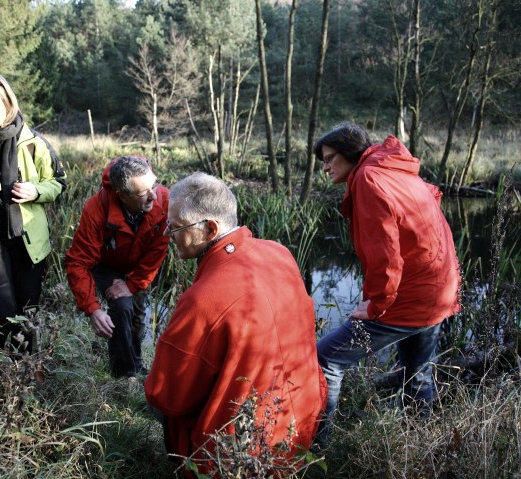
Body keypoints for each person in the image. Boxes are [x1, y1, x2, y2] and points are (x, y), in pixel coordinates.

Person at [144, 172, 327, 471]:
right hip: (300, 423)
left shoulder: (203, 298)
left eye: (175, 227)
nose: (166, 234)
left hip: (239, 455)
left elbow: (166, 394)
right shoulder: (279, 252)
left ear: (210, 229)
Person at [314, 122, 461, 436]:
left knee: (325, 359)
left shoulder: (368, 178)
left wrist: (375, 305)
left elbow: (386, 255)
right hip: (438, 290)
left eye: (329, 159)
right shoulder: (393, 170)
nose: (325, 167)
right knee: (418, 373)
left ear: (349, 152)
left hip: (412, 296)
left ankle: (315, 447)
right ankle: (418, 444)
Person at [0, 71, 66, 353]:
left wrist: (35, 191)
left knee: (28, 311)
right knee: (1, 311)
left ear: (9, 102)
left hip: (28, 238)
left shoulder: (34, 142)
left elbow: (58, 183)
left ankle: (26, 374)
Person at [65, 156, 169, 378]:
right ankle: (124, 375)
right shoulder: (96, 209)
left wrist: (133, 284)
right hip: (107, 264)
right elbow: (78, 262)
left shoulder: (163, 199)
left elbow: (157, 251)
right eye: (143, 193)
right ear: (122, 195)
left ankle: (137, 364)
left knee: (137, 316)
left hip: (139, 266)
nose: (154, 195)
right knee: (122, 307)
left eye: (154, 185)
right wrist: (92, 308)